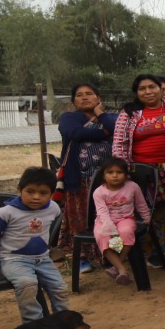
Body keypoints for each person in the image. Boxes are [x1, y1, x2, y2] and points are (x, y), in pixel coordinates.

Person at [0, 167, 69, 321]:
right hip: (14, 260)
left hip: (43, 259)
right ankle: (34, 328)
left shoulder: (53, 208)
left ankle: (63, 324)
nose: (36, 197)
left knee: (60, 288)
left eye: (43, 193)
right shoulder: (5, 213)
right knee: (27, 285)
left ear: (51, 194)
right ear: (19, 190)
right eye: (30, 192)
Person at [113, 73, 165, 266]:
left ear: (161, 89)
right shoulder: (130, 113)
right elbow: (120, 143)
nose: (148, 91)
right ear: (136, 93)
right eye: (142, 89)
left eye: (152, 87)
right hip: (142, 173)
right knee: (149, 213)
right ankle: (154, 253)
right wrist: (123, 173)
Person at [56, 82, 117, 272]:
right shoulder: (69, 118)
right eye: (79, 95)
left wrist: (101, 115)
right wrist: (103, 133)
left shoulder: (110, 118)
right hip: (80, 179)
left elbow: (116, 129)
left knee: (109, 218)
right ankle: (82, 258)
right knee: (80, 219)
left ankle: (110, 255)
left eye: (89, 94)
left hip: (108, 181)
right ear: (74, 101)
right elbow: (75, 132)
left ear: (98, 98)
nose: (84, 97)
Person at [91, 157, 150, 285]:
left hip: (125, 219)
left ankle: (116, 267)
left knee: (127, 231)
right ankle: (122, 269)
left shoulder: (132, 187)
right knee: (102, 235)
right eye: (110, 172)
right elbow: (102, 213)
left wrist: (147, 218)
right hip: (104, 220)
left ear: (126, 174)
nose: (115, 175)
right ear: (104, 175)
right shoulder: (99, 192)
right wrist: (111, 230)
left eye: (119, 172)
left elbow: (141, 204)